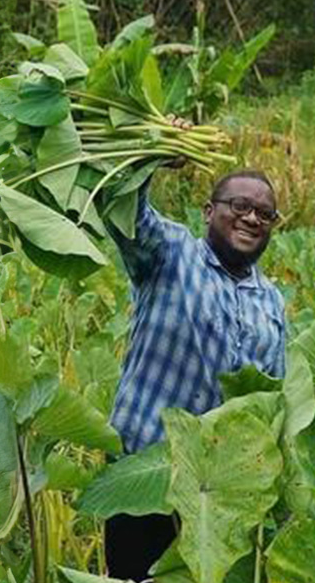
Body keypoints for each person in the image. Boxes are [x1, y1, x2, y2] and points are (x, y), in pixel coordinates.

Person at [101, 162, 287, 581]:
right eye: (240, 205)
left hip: (221, 492)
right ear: (208, 211)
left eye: (265, 214)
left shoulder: (271, 301)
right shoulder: (171, 254)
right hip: (149, 472)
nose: (252, 218)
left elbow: (272, 401)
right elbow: (122, 205)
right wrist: (151, 154)